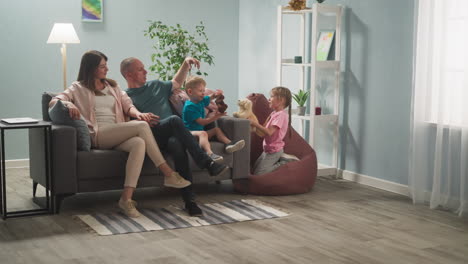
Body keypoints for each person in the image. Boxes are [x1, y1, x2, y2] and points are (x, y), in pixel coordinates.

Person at [49, 50, 191, 218]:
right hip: (98, 133)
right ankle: (168, 173)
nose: (106, 69)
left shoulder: (113, 87)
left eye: (105, 65)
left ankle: (126, 199)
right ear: (91, 68)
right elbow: (54, 101)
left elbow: (128, 106)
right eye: (102, 66)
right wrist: (67, 104)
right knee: (140, 127)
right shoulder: (77, 88)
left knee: (139, 143)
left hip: (116, 132)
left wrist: (138, 114)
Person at [120, 57, 229, 217]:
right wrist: (139, 119)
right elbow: (127, 121)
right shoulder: (126, 97)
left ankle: (190, 202)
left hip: (173, 134)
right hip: (152, 136)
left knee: (177, 145)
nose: (146, 71)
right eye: (140, 69)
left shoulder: (156, 85)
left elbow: (177, 82)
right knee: (174, 120)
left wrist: (186, 63)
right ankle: (206, 162)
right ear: (128, 74)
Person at [183, 76, 245, 162]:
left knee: (216, 130)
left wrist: (217, 94)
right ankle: (209, 154)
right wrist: (215, 117)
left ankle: (229, 144)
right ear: (190, 92)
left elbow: (210, 97)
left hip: (199, 133)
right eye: (200, 91)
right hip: (189, 134)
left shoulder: (200, 101)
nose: (203, 93)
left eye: (203, 91)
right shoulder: (189, 107)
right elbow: (202, 123)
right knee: (203, 133)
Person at [250, 86, 298, 175]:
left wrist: (255, 124)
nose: (269, 99)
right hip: (267, 149)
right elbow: (262, 133)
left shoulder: (281, 115)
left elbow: (269, 132)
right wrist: (253, 127)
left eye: (272, 96)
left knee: (259, 173)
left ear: (281, 100)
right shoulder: (273, 114)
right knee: (254, 169)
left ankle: (285, 162)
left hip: (274, 151)